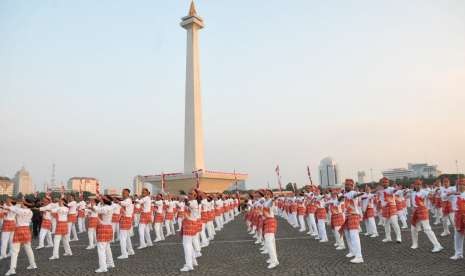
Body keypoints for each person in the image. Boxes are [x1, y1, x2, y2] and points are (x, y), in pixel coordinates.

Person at [2, 198, 37, 276]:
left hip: (19, 230)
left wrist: (9, 202)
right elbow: (12, 207)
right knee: (28, 249)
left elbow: (8, 207)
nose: (21, 203)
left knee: (15, 251)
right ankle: (33, 264)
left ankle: (12, 269)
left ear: (24, 203)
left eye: (23, 202)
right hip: (27, 230)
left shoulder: (19, 210)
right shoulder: (31, 212)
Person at [409, 179, 443, 252]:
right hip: (416, 212)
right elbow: (412, 202)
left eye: (419, 184)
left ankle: (437, 245)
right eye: (416, 184)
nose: (418, 186)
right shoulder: (412, 193)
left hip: (423, 211)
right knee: (413, 228)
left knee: (427, 229)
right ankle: (415, 244)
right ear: (414, 185)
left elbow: (430, 195)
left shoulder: (424, 192)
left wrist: (433, 194)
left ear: (421, 185)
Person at [341, 179, 364, 264]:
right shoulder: (345, 194)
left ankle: (359, 256)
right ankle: (352, 251)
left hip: (353, 215)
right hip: (347, 216)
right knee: (347, 235)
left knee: (354, 236)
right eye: (346, 185)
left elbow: (355, 195)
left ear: (352, 186)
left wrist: (360, 194)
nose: (347, 186)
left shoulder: (353, 192)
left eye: (349, 185)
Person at [93, 196, 116, 273]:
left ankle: (103, 267)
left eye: (101, 200)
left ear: (104, 201)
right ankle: (110, 263)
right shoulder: (110, 207)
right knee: (107, 248)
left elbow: (98, 210)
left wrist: (92, 205)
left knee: (101, 249)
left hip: (103, 228)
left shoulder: (105, 208)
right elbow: (98, 209)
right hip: (108, 227)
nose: (100, 201)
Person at [180, 191, 200, 272]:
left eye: (191, 194)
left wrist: (184, 198)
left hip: (190, 224)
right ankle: (193, 260)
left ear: (195, 196)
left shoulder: (194, 202)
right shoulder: (193, 201)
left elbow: (188, 204)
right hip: (189, 223)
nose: (189, 194)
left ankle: (189, 265)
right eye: (189, 193)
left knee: (186, 245)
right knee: (189, 244)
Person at [379, 177, 402, 243]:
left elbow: (394, 190)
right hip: (384, 208)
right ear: (381, 183)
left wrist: (397, 188)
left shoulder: (390, 189)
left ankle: (399, 237)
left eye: (386, 182)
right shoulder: (380, 190)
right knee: (386, 224)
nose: (385, 183)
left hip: (392, 207)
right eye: (383, 182)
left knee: (394, 223)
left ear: (388, 183)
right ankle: (388, 237)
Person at [117, 189, 135, 259]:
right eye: (122, 193)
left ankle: (124, 254)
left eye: (124, 193)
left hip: (126, 219)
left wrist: (117, 201)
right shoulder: (125, 200)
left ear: (128, 194)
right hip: (125, 218)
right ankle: (130, 250)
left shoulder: (128, 200)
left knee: (122, 237)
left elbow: (124, 204)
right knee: (127, 237)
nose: (123, 194)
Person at [263, 190, 279, 269]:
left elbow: (270, 204)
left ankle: (274, 261)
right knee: (272, 242)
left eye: (268, 194)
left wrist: (273, 200)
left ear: (270, 195)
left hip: (270, 221)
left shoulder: (270, 202)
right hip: (267, 221)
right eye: (265, 194)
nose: (266, 195)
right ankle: (274, 259)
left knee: (268, 242)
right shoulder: (265, 202)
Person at [450, 178, 465, 260]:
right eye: (459, 185)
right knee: (458, 236)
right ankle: (458, 254)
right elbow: (443, 197)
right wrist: (452, 193)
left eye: (463, 185)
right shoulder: (454, 195)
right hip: (458, 217)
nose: (461, 186)